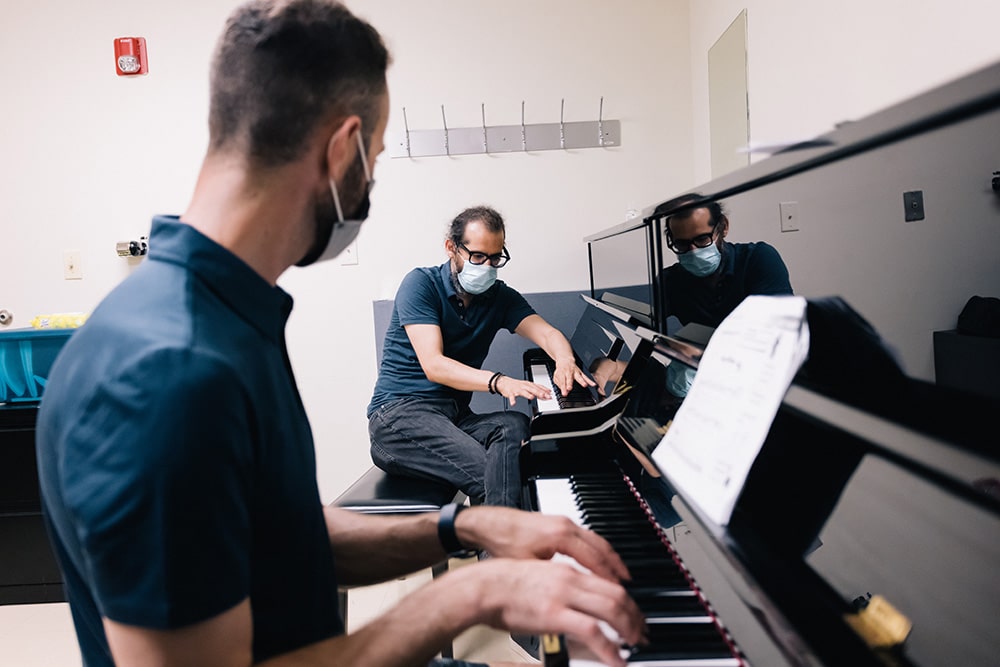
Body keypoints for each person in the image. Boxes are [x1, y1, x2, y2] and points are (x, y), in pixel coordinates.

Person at [34, 3, 644, 667]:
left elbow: (274, 533)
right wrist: (470, 590)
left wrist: (459, 525)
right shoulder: (167, 372)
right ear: (340, 146)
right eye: (374, 158)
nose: (370, 183)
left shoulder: (223, 316)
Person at [368, 206, 595, 509]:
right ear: (452, 248)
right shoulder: (420, 284)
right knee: (493, 477)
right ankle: (513, 545)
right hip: (399, 418)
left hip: (453, 416)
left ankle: (499, 542)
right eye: (477, 257)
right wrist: (499, 382)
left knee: (513, 424)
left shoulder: (499, 297)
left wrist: (565, 360)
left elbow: (548, 335)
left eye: (495, 258)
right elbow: (434, 365)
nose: (487, 267)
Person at [657, 193, 793, 397]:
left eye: (702, 239)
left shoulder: (759, 260)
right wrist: (672, 345)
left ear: (723, 227)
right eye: (682, 245)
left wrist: (709, 356)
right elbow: (648, 328)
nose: (693, 251)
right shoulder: (671, 280)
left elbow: (777, 336)